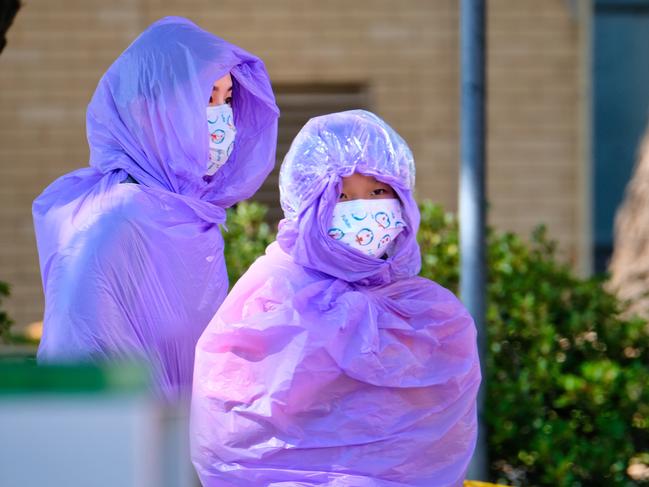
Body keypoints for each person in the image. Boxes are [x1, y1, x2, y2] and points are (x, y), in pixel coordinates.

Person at [191, 110, 481, 486]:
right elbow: (234, 423)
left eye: (378, 192)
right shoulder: (272, 293)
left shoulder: (433, 316)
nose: (362, 209)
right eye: (341, 196)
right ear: (308, 205)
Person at [32, 17, 278, 402]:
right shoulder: (115, 223)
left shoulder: (186, 218)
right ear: (154, 111)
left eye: (227, 99)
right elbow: (80, 365)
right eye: (205, 98)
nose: (221, 117)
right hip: (126, 453)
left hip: (178, 451)